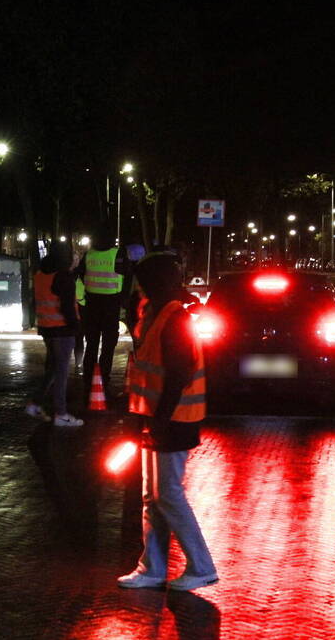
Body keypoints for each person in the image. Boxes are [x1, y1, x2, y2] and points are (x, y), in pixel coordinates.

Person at [117, 252, 218, 591]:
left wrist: (159, 420)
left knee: (168, 494)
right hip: (157, 417)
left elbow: (178, 374)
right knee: (153, 496)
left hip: (174, 419)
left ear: (158, 282)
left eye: (143, 281)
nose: (139, 287)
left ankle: (201, 566)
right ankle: (151, 569)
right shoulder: (151, 311)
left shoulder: (176, 318)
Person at [26, 241, 84, 427]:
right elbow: (67, 306)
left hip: (46, 328)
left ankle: (34, 404)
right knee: (61, 372)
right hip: (62, 329)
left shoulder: (41, 274)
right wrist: (76, 327)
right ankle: (61, 413)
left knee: (52, 369)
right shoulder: (63, 276)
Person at [77, 229, 126, 398]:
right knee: (108, 345)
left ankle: (88, 377)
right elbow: (127, 276)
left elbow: (80, 275)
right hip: (111, 305)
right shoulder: (118, 253)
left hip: (92, 304)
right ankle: (103, 377)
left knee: (91, 344)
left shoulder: (89, 254)